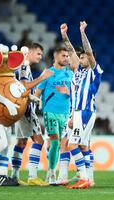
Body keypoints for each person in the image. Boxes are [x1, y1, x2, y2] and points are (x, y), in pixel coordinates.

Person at [64, 21, 103, 189]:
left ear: (91, 57)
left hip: (85, 111)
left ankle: (83, 178)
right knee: (83, 146)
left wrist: (82, 31)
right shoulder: (77, 72)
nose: (80, 58)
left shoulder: (94, 71)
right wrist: (65, 34)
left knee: (72, 145)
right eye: (80, 57)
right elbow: (71, 50)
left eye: (83, 56)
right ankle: (90, 179)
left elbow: (87, 50)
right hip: (77, 112)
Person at [10, 43, 53, 186]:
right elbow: (23, 87)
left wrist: (33, 96)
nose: (40, 57)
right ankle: (32, 176)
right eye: (38, 54)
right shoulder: (23, 65)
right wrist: (42, 77)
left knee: (21, 142)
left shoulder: (22, 65)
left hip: (20, 108)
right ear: (29, 52)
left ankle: (14, 176)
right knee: (39, 141)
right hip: (26, 110)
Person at [35, 45, 74, 184]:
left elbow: (76, 95)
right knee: (55, 140)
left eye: (67, 56)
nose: (66, 58)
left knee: (59, 145)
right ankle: (51, 171)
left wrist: (68, 92)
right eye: (63, 56)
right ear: (55, 57)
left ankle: (54, 170)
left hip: (66, 113)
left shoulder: (70, 74)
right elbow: (37, 93)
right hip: (50, 111)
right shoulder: (47, 74)